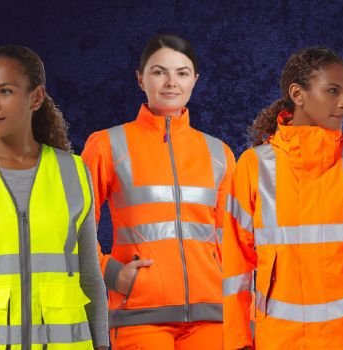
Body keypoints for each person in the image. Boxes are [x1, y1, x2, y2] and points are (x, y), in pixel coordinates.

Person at [223, 47, 343, 350]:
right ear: (298, 94)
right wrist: (237, 340)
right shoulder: (253, 166)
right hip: (279, 340)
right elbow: (235, 262)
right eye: (332, 91)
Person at [0, 45, 109, 349]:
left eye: (6, 91)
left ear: (36, 97)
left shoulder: (74, 172)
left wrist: (102, 343)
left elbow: (89, 274)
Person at [80, 34, 235, 350]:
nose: (170, 82)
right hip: (140, 314)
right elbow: (72, 226)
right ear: (140, 79)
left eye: (182, 73)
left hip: (211, 316)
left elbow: (231, 237)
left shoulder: (218, 153)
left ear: (195, 80)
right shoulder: (107, 145)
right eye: (158, 71)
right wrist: (113, 275)